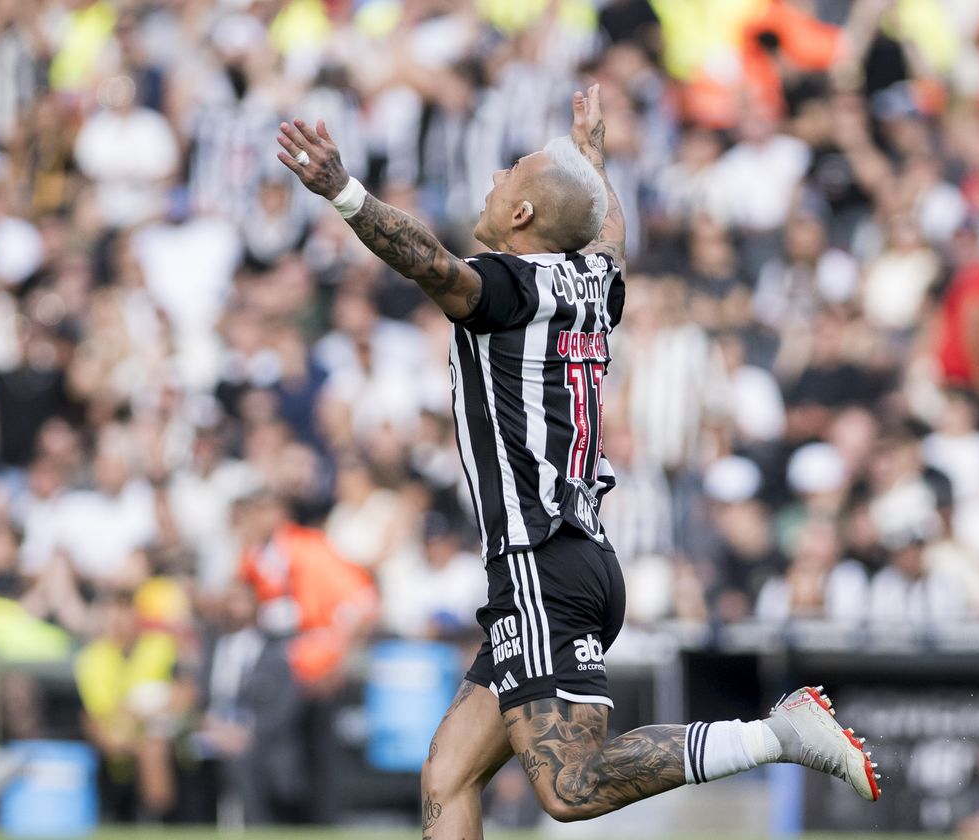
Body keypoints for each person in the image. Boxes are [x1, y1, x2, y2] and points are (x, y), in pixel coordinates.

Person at [277, 84, 881, 838]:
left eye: (510, 175)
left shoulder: (508, 287)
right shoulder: (595, 285)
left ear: (524, 216)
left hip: (541, 563)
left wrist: (343, 192)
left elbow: (426, 261)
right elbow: (608, 236)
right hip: (580, 558)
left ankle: (777, 735)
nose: (496, 178)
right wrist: (592, 159)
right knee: (450, 772)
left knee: (569, 786)